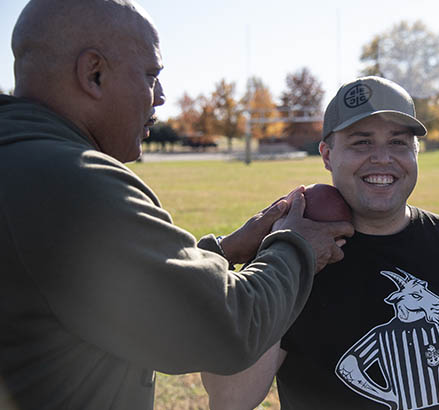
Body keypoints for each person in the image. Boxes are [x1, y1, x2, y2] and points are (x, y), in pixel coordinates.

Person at [0, 1, 353, 409]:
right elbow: (228, 328)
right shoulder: (71, 179)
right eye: (151, 75)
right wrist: (297, 247)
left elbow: (114, 294)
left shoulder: (19, 160)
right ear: (93, 73)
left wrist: (222, 251)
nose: (162, 97)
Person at [202, 76, 439, 410]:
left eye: (398, 142)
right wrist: (278, 257)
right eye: (361, 142)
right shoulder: (290, 264)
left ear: (415, 152)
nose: (382, 158)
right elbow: (231, 398)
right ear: (326, 155)